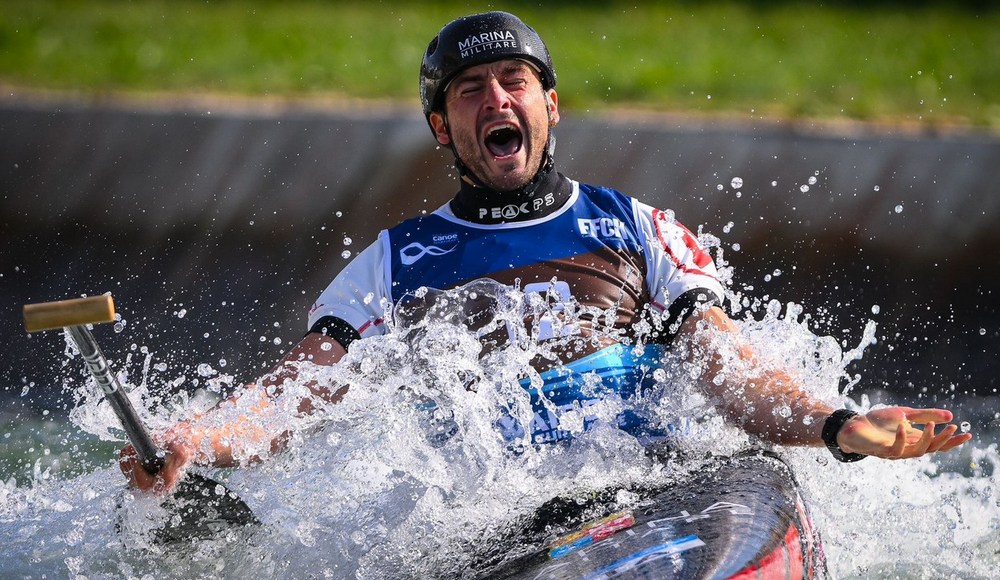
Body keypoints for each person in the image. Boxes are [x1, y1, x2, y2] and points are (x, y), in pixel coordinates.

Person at [120, 11, 971, 494]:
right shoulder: (389, 263)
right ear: (440, 127)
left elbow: (732, 373)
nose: (496, 98)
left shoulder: (637, 226)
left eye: (515, 81)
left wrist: (838, 426)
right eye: (469, 90)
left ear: (550, 106)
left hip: (647, 494)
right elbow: (295, 393)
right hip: (485, 518)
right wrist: (196, 436)